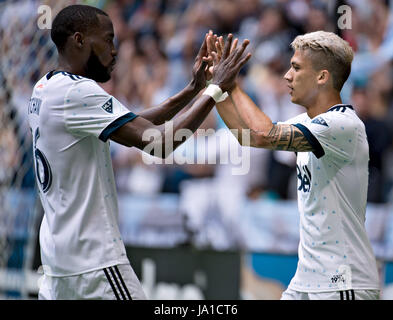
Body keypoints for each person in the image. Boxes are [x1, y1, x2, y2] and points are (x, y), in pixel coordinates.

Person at [28, 5, 250, 300]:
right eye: (107, 40)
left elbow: (134, 121)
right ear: (79, 40)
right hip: (94, 264)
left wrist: (193, 89)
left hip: (59, 263)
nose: (115, 50)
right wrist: (216, 90)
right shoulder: (78, 92)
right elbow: (158, 143)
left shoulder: (44, 88)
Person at [207, 31, 380, 300]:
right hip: (307, 278)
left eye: (296, 68)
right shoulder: (307, 122)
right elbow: (249, 137)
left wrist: (232, 85)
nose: (287, 76)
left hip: (342, 281)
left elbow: (264, 133)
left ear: (322, 77)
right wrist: (215, 87)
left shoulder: (343, 125)